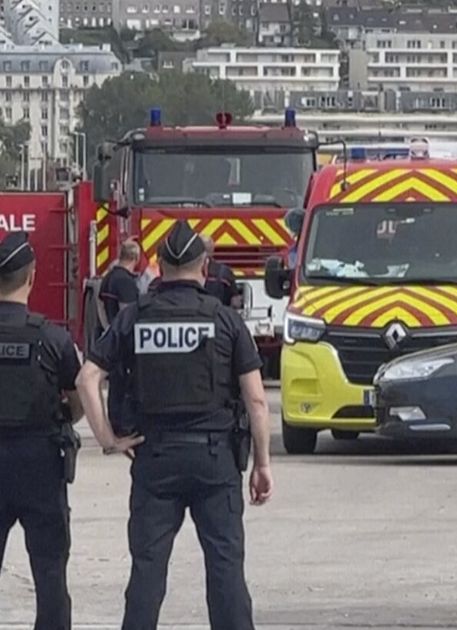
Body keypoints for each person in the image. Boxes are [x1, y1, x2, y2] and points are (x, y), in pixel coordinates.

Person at [76, 221, 273, 630]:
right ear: (205, 267)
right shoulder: (225, 320)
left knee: (147, 572)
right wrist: (262, 464)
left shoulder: (134, 317)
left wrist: (109, 441)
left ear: (160, 266)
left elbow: (87, 378)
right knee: (225, 571)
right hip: (215, 460)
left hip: (155, 458)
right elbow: (256, 398)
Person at [0, 231, 86, 630]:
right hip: (40, 465)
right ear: (31, 277)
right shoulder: (53, 338)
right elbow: (79, 399)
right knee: (50, 574)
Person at [99, 240, 142, 331]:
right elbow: (128, 316)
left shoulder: (107, 277)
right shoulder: (125, 282)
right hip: (121, 337)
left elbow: (102, 309)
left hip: (110, 332)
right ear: (136, 258)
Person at [199, 234, 242, 309]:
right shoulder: (225, 272)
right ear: (213, 250)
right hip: (218, 317)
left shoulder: (186, 271)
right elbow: (235, 303)